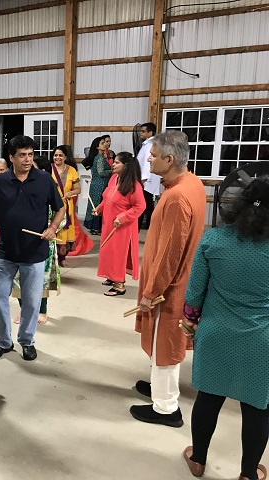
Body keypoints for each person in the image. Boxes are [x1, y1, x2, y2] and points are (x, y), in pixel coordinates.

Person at [179, 176, 269, 480]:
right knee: (258, 407)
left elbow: (194, 294)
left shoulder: (214, 240)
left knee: (208, 397)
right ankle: (248, 474)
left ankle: (198, 460)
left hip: (216, 333)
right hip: (262, 339)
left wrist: (190, 322)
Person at [130, 130, 206, 428]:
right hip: (177, 281)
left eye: (153, 155)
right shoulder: (191, 182)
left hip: (170, 288)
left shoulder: (176, 197)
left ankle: (166, 408)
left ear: (170, 159)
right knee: (162, 341)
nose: (148, 159)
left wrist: (151, 292)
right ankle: (158, 387)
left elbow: (170, 254)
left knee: (166, 343)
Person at [0, 135, 65, 362]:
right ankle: (4, 341)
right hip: (6, 251)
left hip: (35, 252)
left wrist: (52, 228)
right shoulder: (0, 181)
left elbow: (60, 209)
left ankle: (27, 340)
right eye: (22, 155)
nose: (27, 159)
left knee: (31, 301)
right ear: (11, 157)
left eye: (30, 154)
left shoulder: (44, 179)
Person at [12, 155, 62, 326]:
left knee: (40, 277)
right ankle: (24, 309)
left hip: (43, 242)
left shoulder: (51, 188)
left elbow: (62, 215)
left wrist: (51, 228)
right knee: (19, 277)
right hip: (20, 241)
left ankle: (41, 310)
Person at [93, 152, 145, 297]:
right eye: (114, 162)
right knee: (107, 250)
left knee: (117, 254)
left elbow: (140, 206)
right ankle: (111, 276)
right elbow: (108, 198)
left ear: (126, 166)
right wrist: (100, 208)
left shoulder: (134, 185)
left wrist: (123, 217)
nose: (113, 164)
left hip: (122, 227)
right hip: (109, 222)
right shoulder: (114, 178)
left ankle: (119, 284)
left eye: (117, 162)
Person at [51, 145, 83, 267]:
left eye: (60, 155)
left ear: (65, 157)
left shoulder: (71, 170)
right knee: (52, 228)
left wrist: (70, 193)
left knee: (64, 230)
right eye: (55, 155)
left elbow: (78, 189)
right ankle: (51, 258)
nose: (57, 157)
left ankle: (62, 258)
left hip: (66, 205)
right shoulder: (48, 169)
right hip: (52, 205)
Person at [83, 136, 111, 235]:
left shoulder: (99, 157)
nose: (105, 145)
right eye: (102, 143)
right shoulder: (99, 158)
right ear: (97, 147)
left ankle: (93, 226)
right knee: (98, 204)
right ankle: (95, 227)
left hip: (96, 183)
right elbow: (101, 172)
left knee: (94, 204)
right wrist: (111, 171)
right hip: (100, 185)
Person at [137, 122, 159, 230]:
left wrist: (144, 177)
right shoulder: (147, 143)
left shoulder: (150, 144)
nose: (141, 133)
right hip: (146, 177)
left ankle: (146, 222)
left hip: (146, 179)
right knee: (147, 201)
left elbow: (147, 161)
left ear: (150, 133)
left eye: (143, 131)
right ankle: (146, 222)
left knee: (145, 201)